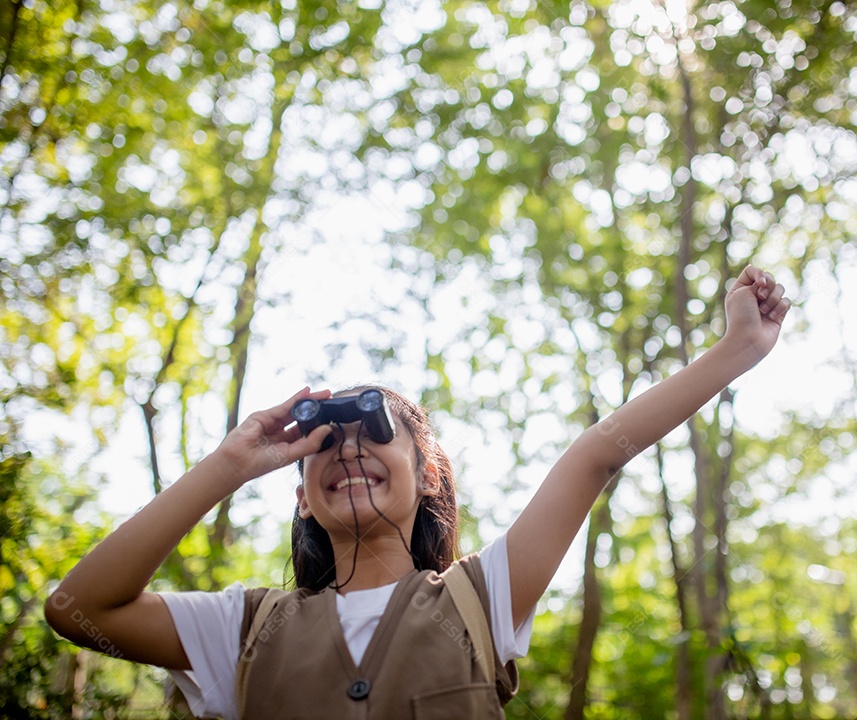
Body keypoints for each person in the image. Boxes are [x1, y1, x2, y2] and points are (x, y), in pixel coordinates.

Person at [45, 265, 790, 719]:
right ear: (301, 497)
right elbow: (77, 610)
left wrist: (737, 351)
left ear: (428, 473)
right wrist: (231, 463)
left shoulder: (482, 599)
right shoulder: (241, 630)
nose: (348, 448)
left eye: (375, 431)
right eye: (323, 444)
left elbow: (594, 456)